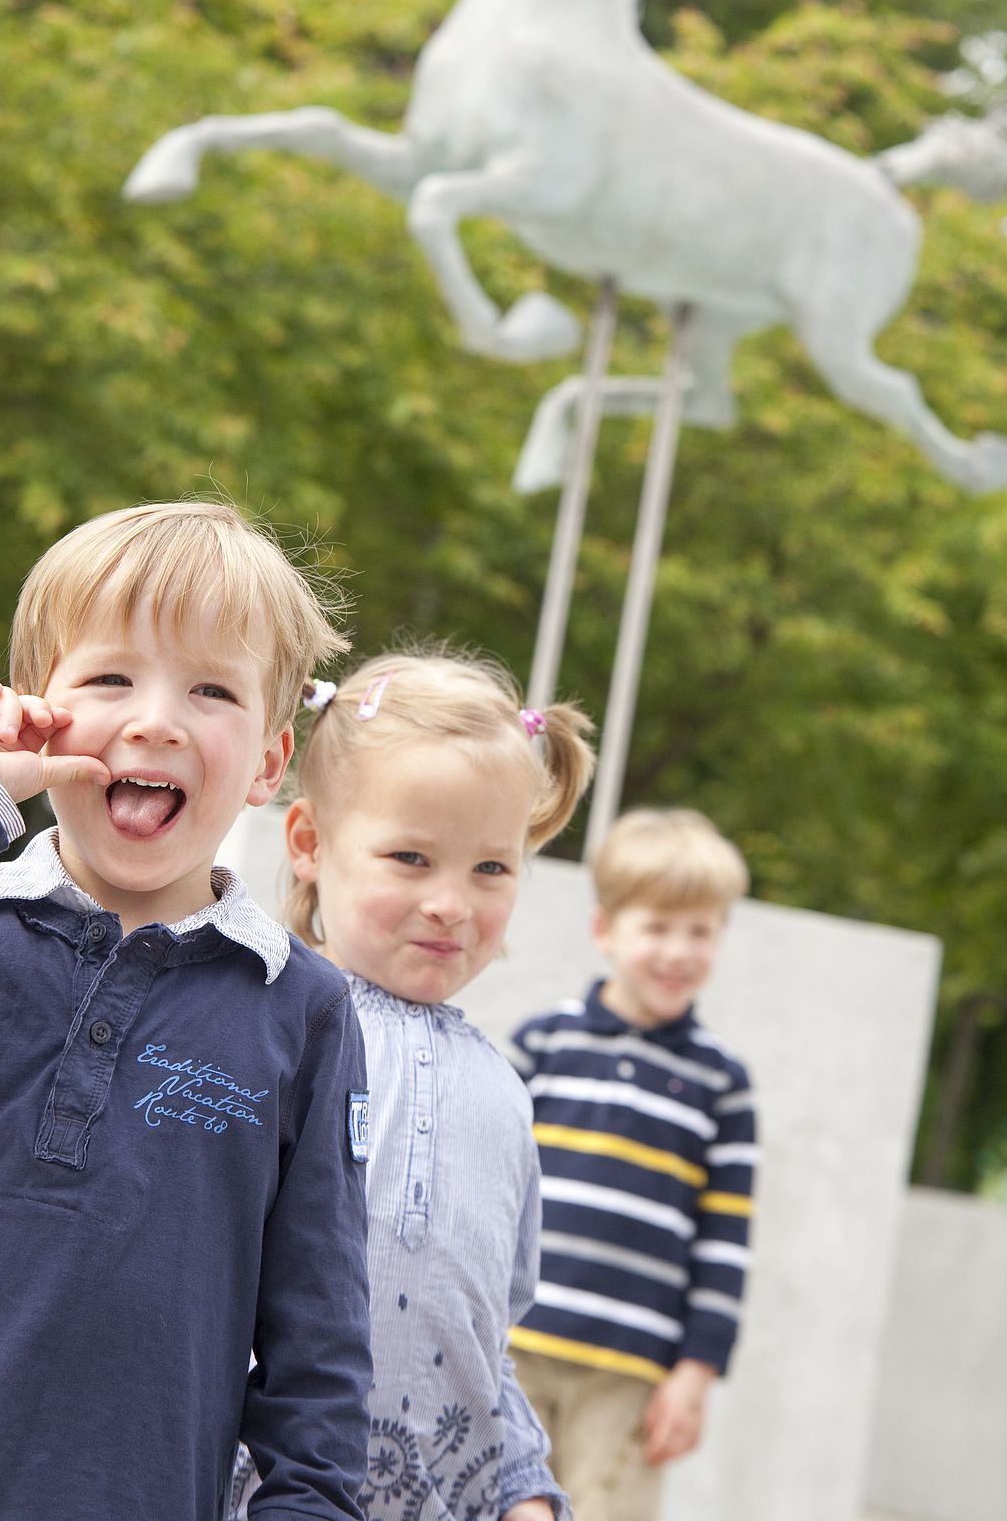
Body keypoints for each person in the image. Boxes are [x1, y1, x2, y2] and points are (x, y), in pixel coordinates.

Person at [0, 499, 372, 1521]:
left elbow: (319, 1349)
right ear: (35, 714)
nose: (156, 718)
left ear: (266, 760)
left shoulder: (300, 1009)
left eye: (211, 689)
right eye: (110, 678)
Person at [232, 647, 595, 1521]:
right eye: (410, 857)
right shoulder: (263, 1030)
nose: (452, 904)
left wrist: (525, 1491)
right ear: (311, 843)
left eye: (491, 869)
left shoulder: (507, 1094)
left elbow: (483, 1340)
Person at [507, 807, 758, 1521]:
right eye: (657, 927)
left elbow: (725, 1240)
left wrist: (695, 1374)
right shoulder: (544, 1045)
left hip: (630, 1372)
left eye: (700, 931)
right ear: (605, 930)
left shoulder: (722, 1082)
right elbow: (490, 1188)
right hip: (516, 1344)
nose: (678, 951)